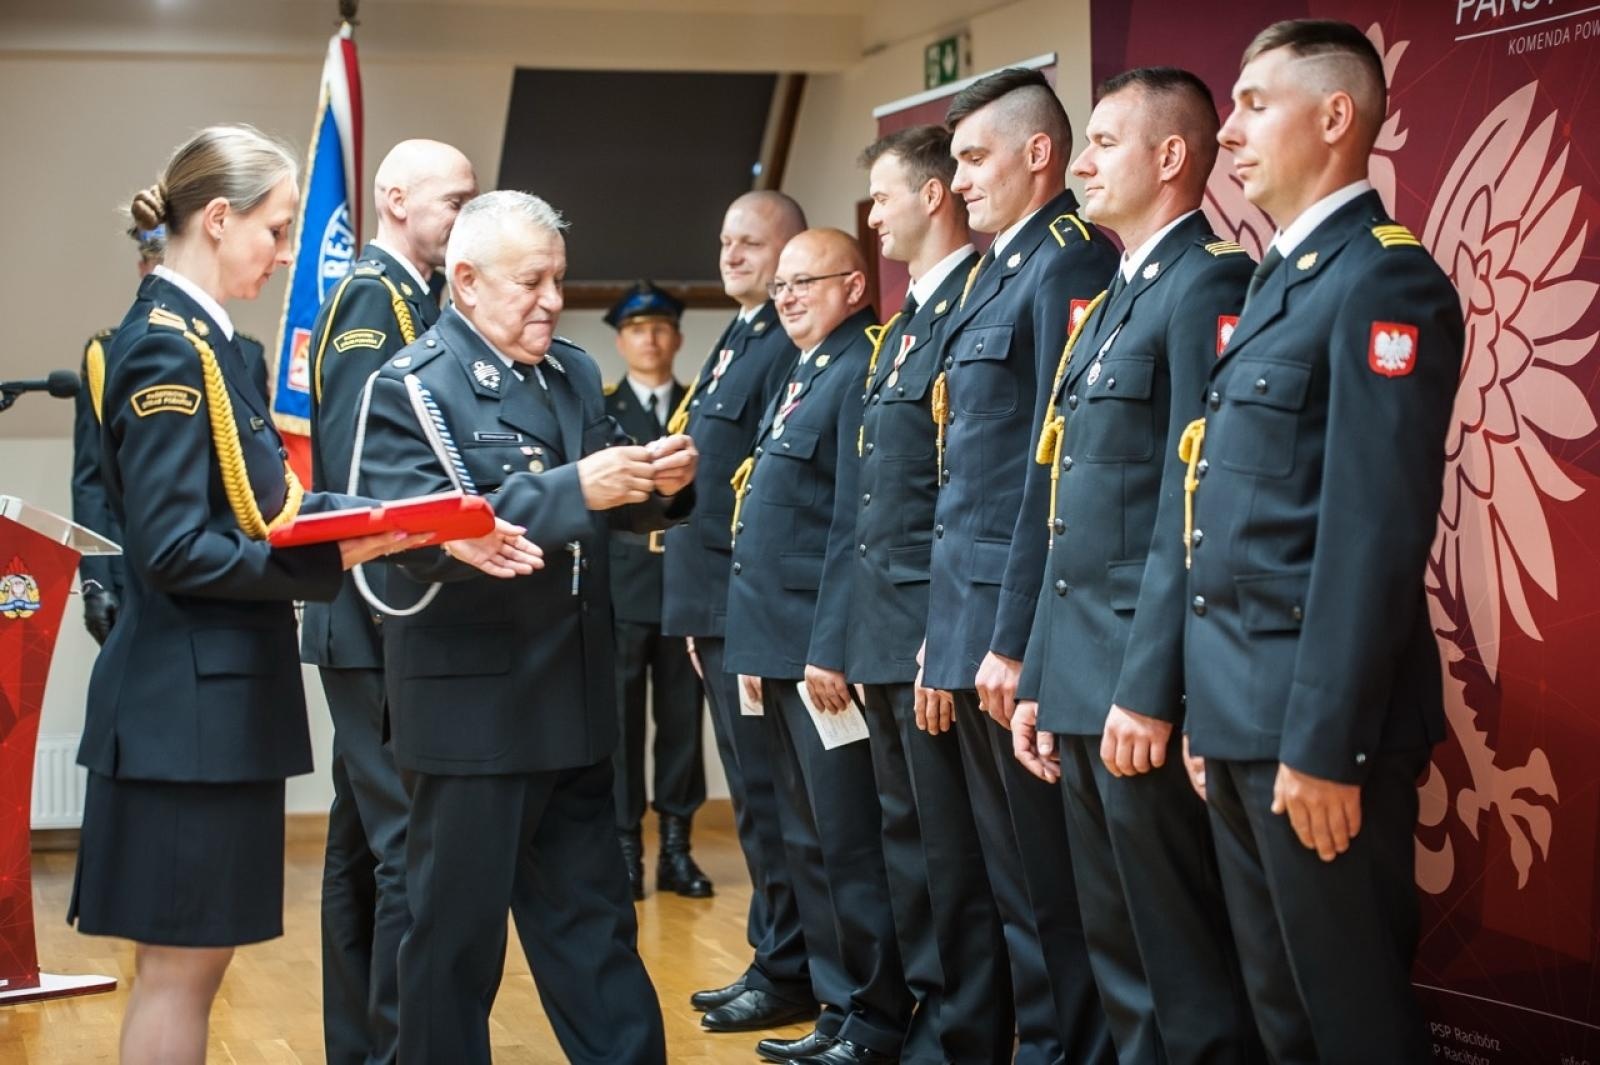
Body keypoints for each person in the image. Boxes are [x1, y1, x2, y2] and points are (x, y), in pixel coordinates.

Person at [67, 124, 536, 1065]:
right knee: (180, 967)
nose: (287, 254)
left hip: (202, 707)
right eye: (277, 230)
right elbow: (175, 551)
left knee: (192, 964)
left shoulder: (202, 339)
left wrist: (402, 519)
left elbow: (270, 503)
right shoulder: (167, 348)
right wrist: (340, 558)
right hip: (183, 710)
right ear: (217, 218)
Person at [355, 190, 695, 1065]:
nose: (552, 299)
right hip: (473, 718)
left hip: (572, 704)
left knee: (597, 938)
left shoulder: (573, 372)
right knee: (452, 952)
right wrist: (576, 488)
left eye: (559, 280)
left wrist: (659, 482)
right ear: (464, 281)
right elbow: (411, 537)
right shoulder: (410, 387)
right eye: (532, 282)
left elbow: (606, 497)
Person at [1185, 20, 1464, 1063]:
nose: (1229, 131)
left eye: (1255, 104)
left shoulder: (1380, 281)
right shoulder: (1277, 278)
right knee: (1283, 1015)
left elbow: (1371, 533)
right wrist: (1208, 713)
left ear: (1336, 117)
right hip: (1244, 714)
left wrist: (1322, 742)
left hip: (1316, 732)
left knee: (1351, 1023)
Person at [1009, 67, 1263, 1064]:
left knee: (1181, 963)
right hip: (1079, 678)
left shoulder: (1209, 285)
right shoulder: (1117, 294)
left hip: (1135, 689)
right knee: (1115, 951)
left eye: (1102, 142)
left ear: (1168, 158)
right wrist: (1039, 674)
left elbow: (1188, 508)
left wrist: (1151, 688)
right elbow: (1067, 514)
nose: (1078, 163)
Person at [921, 67, 1120, 1065]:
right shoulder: (998, 269)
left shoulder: (1070, 264)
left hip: (1023, 633)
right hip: (969, 626)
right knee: (1007, 891)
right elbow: (968, 477)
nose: (956, 181)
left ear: (1038, 151)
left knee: (1052, 896)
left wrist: (1014, 641)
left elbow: (1059, 471)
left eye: (971, 157)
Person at [803, 125, 1008, 1065]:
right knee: (906, 850)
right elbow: (866, 509)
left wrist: (945, 638)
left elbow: (966, 499)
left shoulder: (977, 300)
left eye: (883, 197)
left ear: (932, 199)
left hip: (933, 631)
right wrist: (842, 634)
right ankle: (931, 1013)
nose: (872, 214)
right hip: (882, 629)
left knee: (953, 856)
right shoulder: (904, 329)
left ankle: (967, 1030)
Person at [298, 137, 479, 1065]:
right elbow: (359, 468)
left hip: (370, 615)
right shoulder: (376, 296)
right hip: (372, 614)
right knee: (408, 846)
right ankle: (404, 1049)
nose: (465, 215)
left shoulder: (412, 294)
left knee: (362, 848)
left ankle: (362, 1047)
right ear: (394, 198)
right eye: (453, 201)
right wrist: (385, 597)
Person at [724, 228, 910, 1065]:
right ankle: (837, 1006)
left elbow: (850, 525)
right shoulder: (806, 369)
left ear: (857, 286)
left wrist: (830, 643)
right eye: (782, 285)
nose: (789, 295)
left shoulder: (860, 369)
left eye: (808, 281)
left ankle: (872, 1014)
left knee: (848, 839)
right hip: (774, 644)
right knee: (805, 837)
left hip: (819, 653)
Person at [667, 192, 816, 1033]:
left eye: (749, 242)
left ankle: (789, 964)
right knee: (757, 799)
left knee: (769, 794)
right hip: (713, 604)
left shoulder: (784, 343)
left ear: (790, 248)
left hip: (747, 604)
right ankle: (775, 953)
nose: (731, 255)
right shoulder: (741, 333)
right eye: (724, 240)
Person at [73, 224, 271, 645]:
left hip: (222, 562)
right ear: (143, 268)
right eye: (156, 266)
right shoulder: (108, 354)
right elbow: (92, 483)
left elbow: (258, 469)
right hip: (133, 564)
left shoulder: (245, 354)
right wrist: (95, 581)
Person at [602, 280, 711, 901]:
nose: (650, 338)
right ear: (621, 341)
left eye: (661, 328)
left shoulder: (701, 402)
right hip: (624, 587)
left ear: (677, 338)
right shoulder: (607, 407)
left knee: (680, 720)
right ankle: (625, 849)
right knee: (618, 724)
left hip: (683, 586)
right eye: (638, 330)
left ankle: (676, 847)